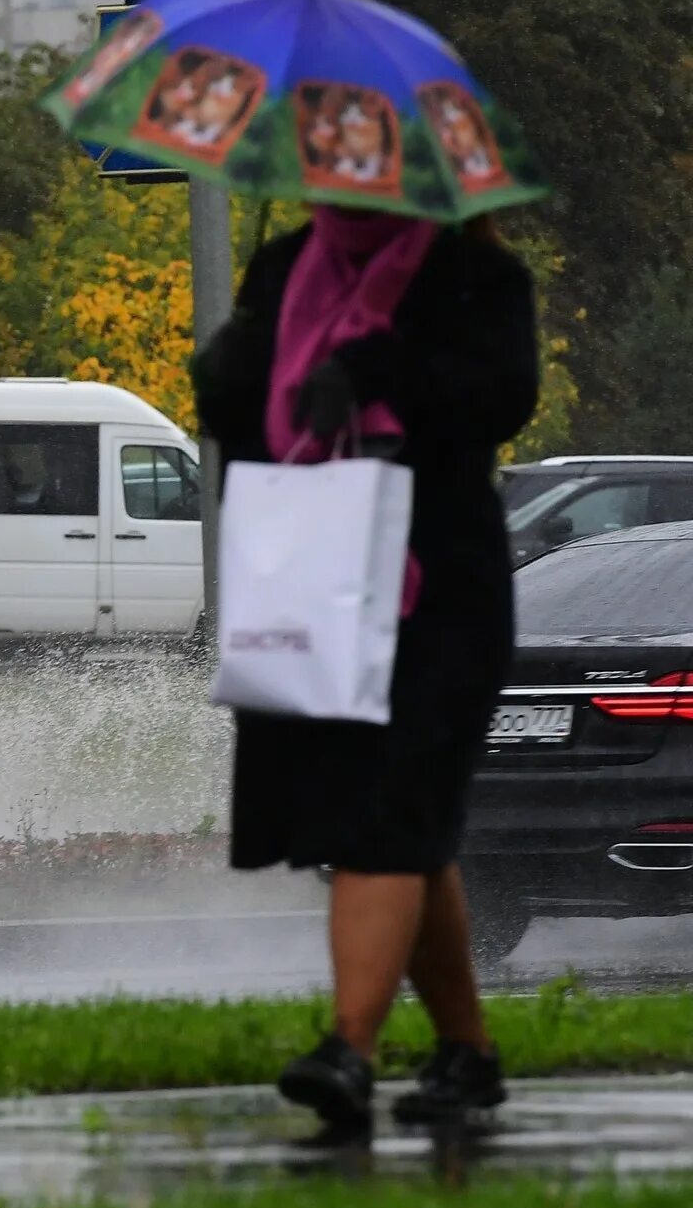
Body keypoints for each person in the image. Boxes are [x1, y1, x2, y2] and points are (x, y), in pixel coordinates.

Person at [190, 205, 539, 1134]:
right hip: (317, 584)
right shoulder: (286, 266)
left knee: (389, 817)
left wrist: (380, 368)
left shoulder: (476, 276)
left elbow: (503, 397)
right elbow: (237, 411)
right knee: (404, 828)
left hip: (439, 595)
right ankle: (468, 1054)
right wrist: (234, 374)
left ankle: (349, 1048)